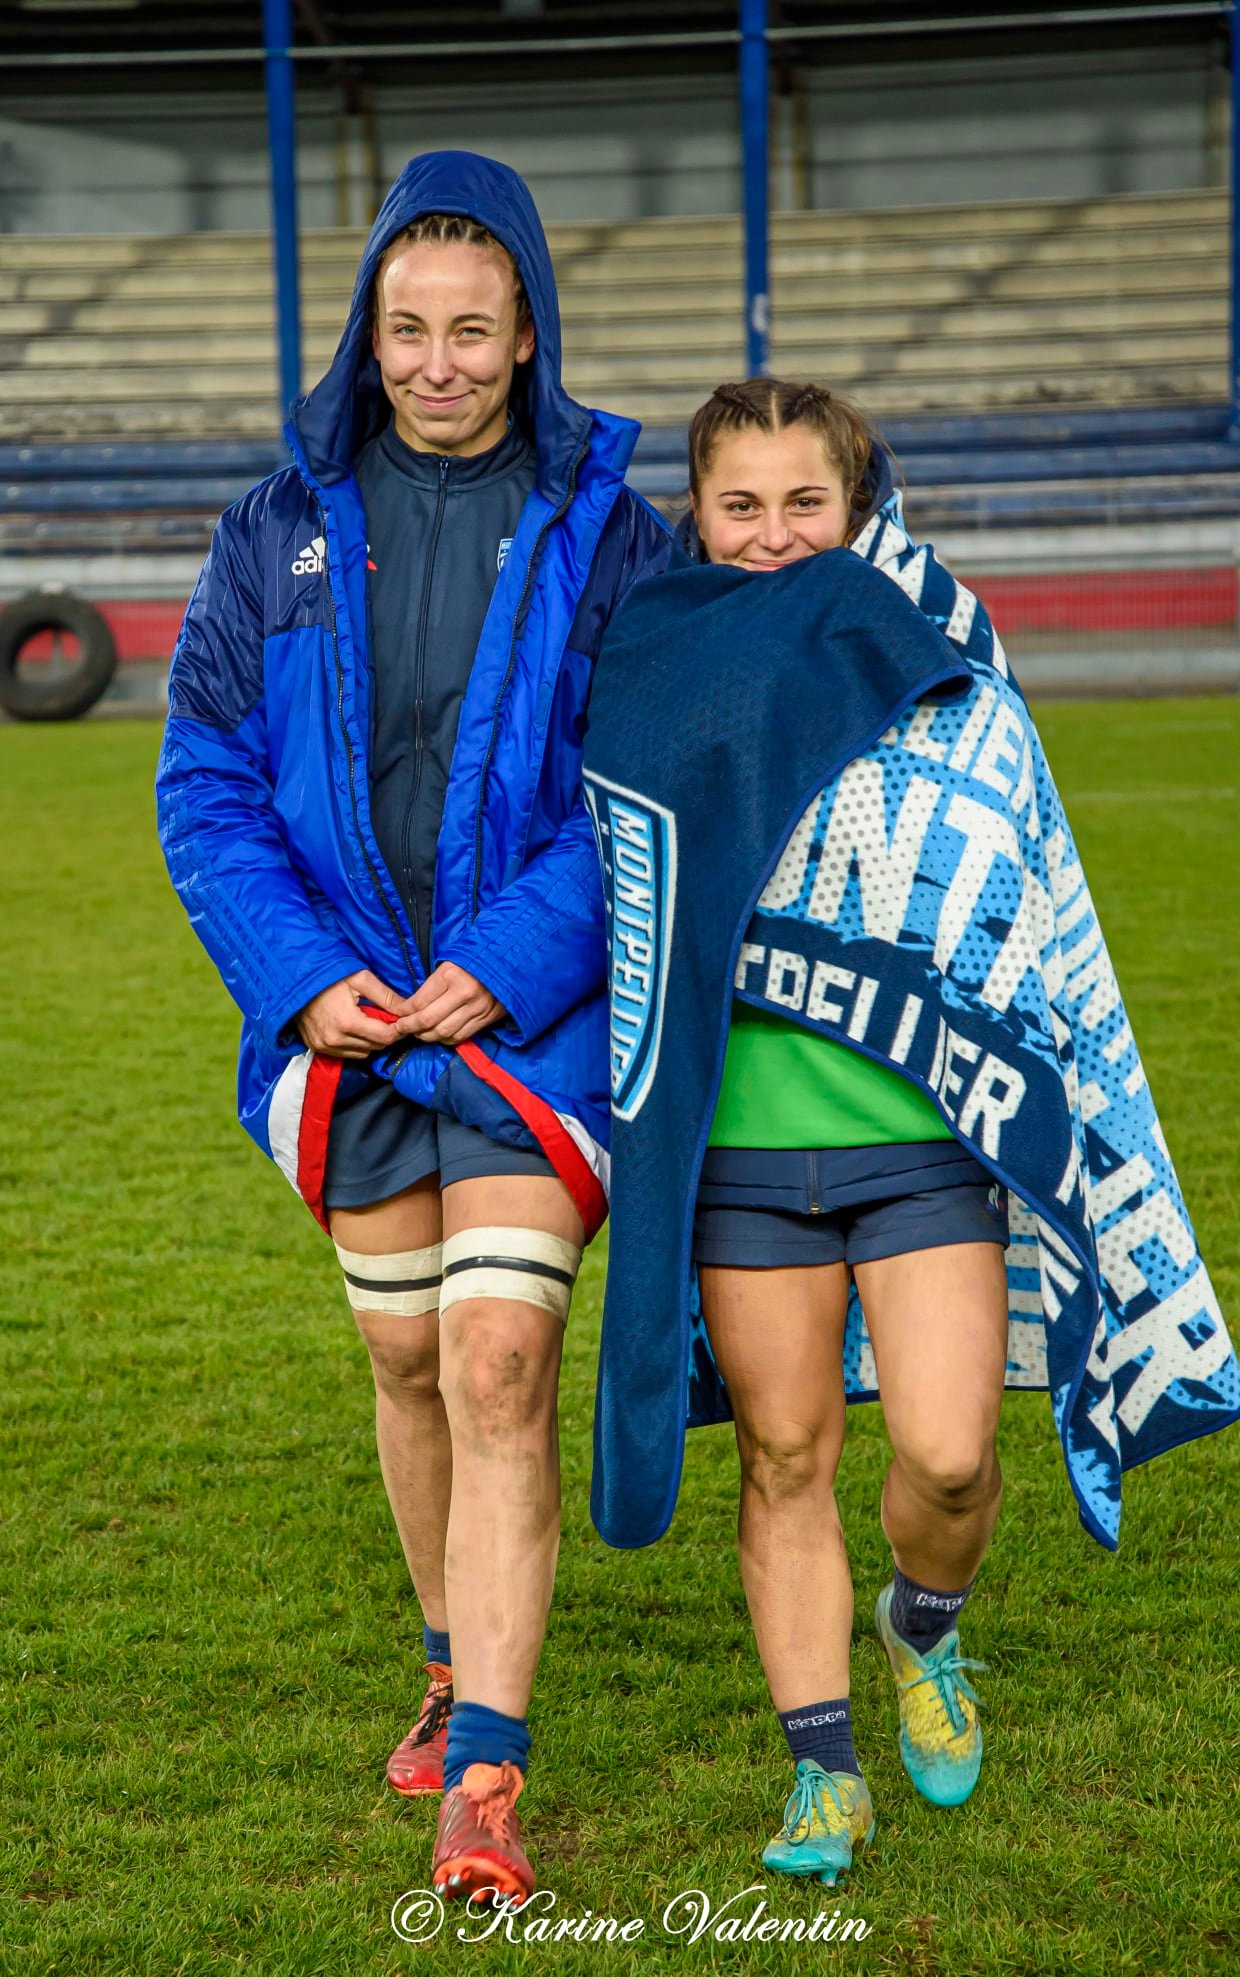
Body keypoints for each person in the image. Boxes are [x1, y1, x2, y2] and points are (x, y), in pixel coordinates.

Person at [581, 377, 1238, 1888]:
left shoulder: (944, 657)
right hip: (742, 1149)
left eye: (804, 503)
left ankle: (923, 1628)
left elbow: (1010, 874)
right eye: (739, 505)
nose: (771, 534)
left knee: (948, 1458)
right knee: (784, 1450)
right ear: (698, 516)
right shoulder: (650, 665)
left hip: (927, 1129)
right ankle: (824, 1769)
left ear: (858, 509)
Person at [156, 150, 673, 1906]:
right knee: (403, 1360)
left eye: (472, 328)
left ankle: (488, 1775)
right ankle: (449, 1652)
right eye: (408, 329)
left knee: (499, 1358)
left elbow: (645, 784)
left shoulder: (613, 532)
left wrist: (516, 957)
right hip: (353, 1023)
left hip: (533, 1026)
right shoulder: (271, 528)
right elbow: (205, 778)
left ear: (529, 334)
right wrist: (304, 976)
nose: (438, 362)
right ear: (367, 336)